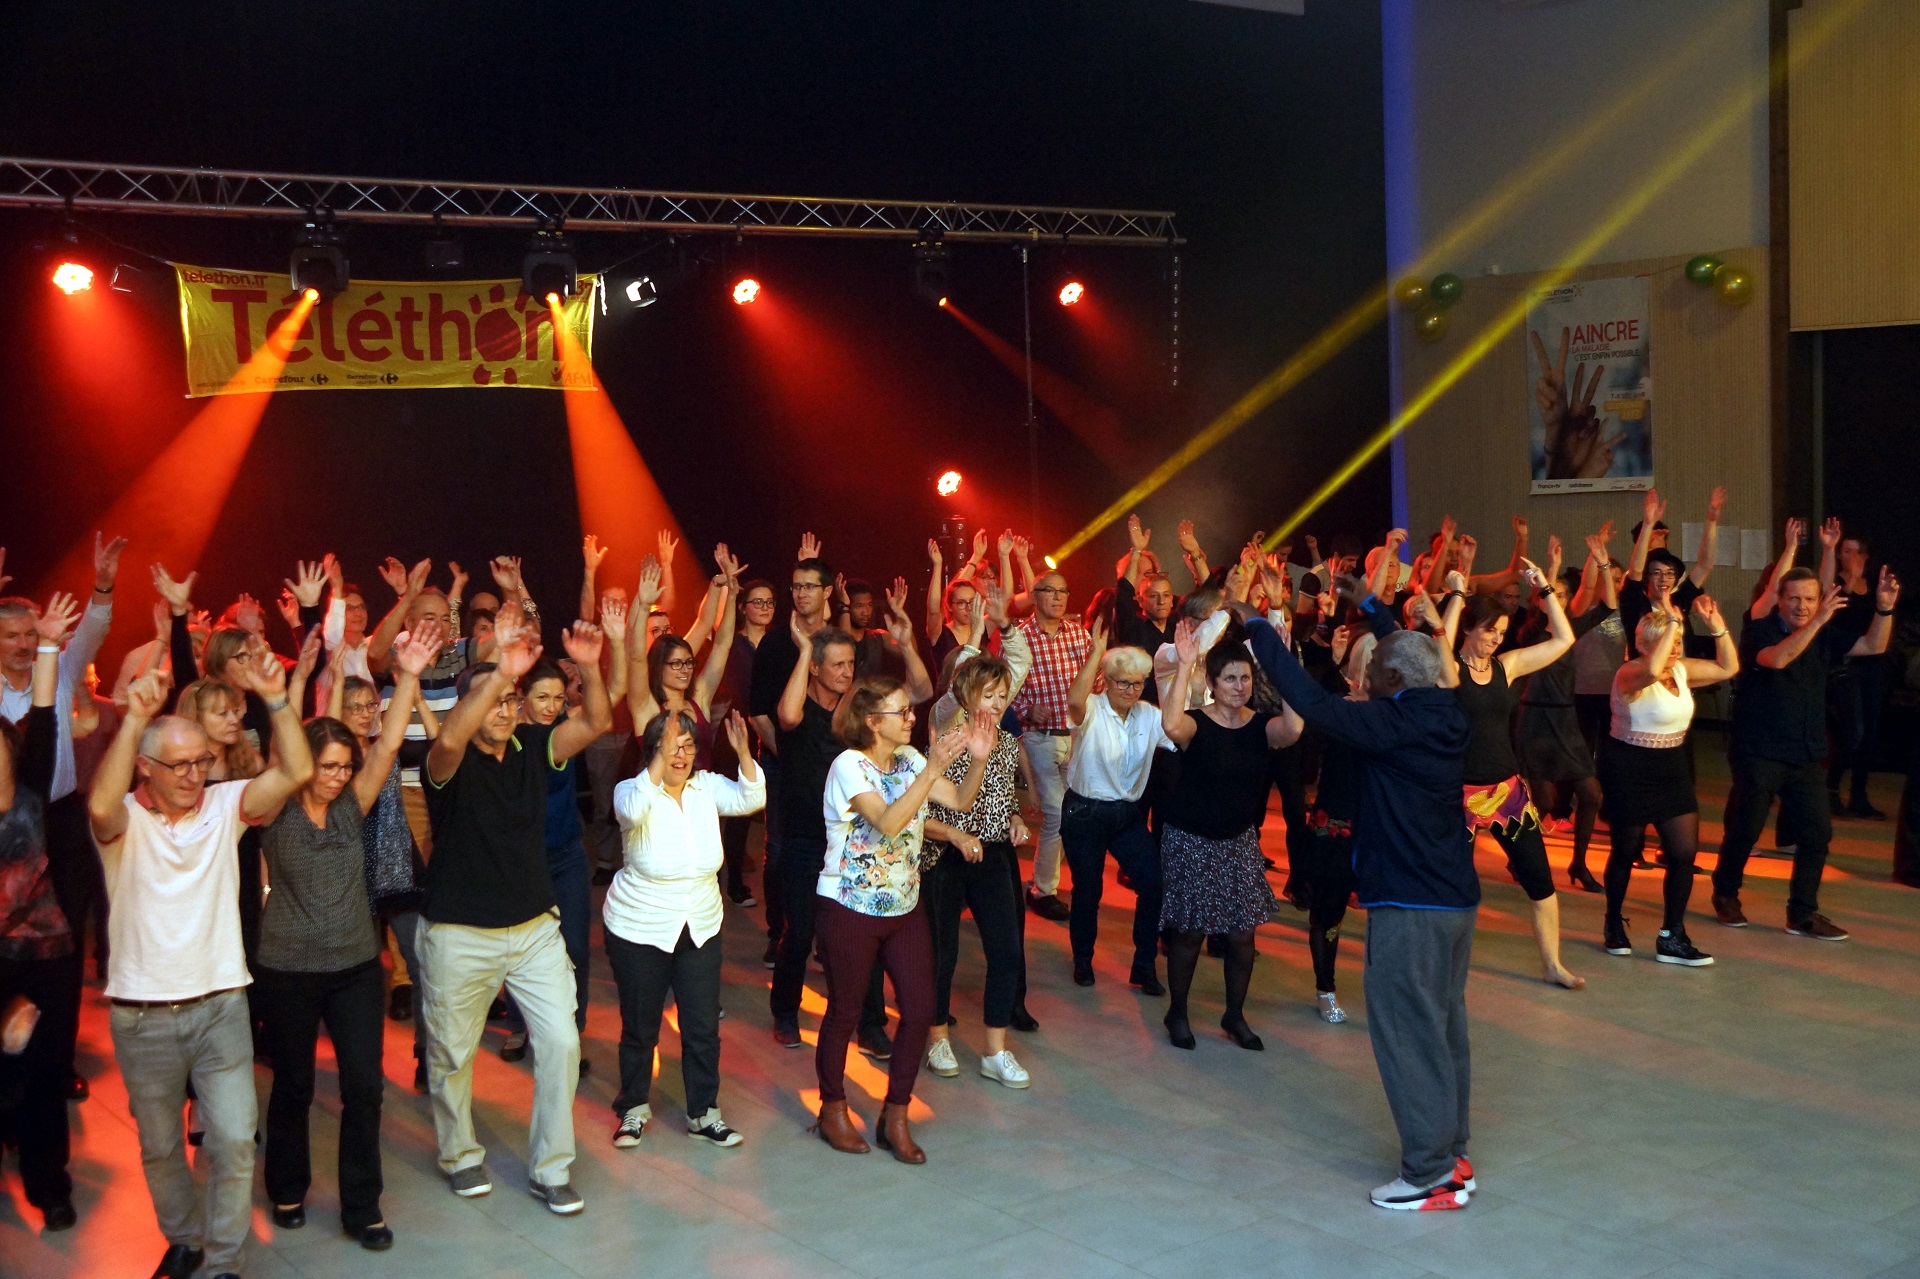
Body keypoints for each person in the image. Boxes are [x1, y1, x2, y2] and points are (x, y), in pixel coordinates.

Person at [88, 650, 315, 1279]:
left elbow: (295, 769)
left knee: (235, 1139)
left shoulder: (225, 806)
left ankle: (220, 1262)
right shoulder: (126, 820)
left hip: (221, 1007)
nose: (194, 775)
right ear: (146, 767)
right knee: (161, 1147)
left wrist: (275, 701)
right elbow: (100, 806)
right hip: (143, 1017)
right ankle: (183, 1240)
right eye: (179, 765)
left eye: (201, 762)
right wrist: (133, 719)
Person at [1242, 618, 1479, 1212]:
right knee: (1445, 1026)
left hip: (1411, 905)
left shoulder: (1389, 724)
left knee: (1408, 1030)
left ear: (1393, 678)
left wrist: (1259, 630)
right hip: (1454, 901)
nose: (1363, 677)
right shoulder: (1447, 710)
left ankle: (1430, 1172)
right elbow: (1418, 657)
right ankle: (1452, 1153)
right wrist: (1374, 608)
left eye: (1372, 669)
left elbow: (1314, 701)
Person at [417, 603, 611, 1215]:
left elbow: (598, 720)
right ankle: (460, 1155)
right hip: (458, 932)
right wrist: (500, 667)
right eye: (495, 699)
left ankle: (551, 1167)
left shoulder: (533, 745)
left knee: (560, 1042)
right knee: (451, 1054)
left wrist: (590, 667)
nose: (504, 710)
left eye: (510, 699)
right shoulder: (446, 761)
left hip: (533, 929)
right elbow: (450, 736)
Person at [254, 622, 440, 1251]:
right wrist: (291, 689)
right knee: (296, 1085)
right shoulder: (274, 807)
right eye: (325, 766)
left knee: (364, 1084)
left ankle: (363, 1205)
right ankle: (286, 1185)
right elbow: (290, 758)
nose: (335, 776)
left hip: (357, 966)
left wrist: (409, 675)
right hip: (288, 968)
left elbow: (385, 749)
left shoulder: (352, 804)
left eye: (342, 766)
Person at [811, 678, 991, 1162]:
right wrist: (932, 768)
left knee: (919, 1007)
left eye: (910, 711)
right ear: (872, 721)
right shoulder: (848, 766)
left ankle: (895, 1114)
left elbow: (960, 802)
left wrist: (976, 758)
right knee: (845, 1012)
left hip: (903, 907)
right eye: (901, 712)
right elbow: (889, 822)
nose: (911, 718)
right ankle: (831, 1109)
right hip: (850, 906)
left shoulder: (910, 759)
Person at [1711, 566, 1902, 939]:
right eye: (1794, 598)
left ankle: (1801, 913)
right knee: (1744, 829)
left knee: (1817, 833)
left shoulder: (1824, 633)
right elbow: (1778, 659)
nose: (1802, 606)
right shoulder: (1759, 630)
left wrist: (1883, 610)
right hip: (1759, 750)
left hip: (1805, 752)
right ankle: (1725, 892)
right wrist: (1817, 623)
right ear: (1779, 600)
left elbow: (1872, 645)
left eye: (1810, 600)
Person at [604, 709, 764, 1150]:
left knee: (700, 1026)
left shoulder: (706, 787)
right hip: (640, 928)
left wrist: (744, 753)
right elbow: (634, 811)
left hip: (700, 924)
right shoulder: (631, 791)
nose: (681, 753)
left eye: (688, 744)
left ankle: (704, 1112)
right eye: (671, 743)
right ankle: (633, 1107)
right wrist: (659, 757)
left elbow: (752, 798)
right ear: (652, 749)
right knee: (641, 1025)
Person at [1158, 623, 1303, 1050]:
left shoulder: (1260, 727)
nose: (1240, 687)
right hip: (1190, 838)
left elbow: (1293, 729)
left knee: (1242, 935)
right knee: (1189, 933)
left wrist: (1282, 667)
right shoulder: (1197, 725)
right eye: (1230, 679)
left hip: (1238, 841)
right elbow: (1170, 725)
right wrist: (1185, 665)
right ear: (1213, 683)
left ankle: (1234, 1015)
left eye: (1246, 678)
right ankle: (1178, 1012)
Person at [767, 616, 902, 1055]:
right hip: (804, 839)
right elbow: (786, 716)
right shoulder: (798, 708)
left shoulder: (856, 716)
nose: (846, 672)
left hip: (851, 838)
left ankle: (870, 1024)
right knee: (802, 929)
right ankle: (785, 1011)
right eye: (838, 665)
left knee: (861, 934)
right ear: (817, 669)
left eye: (850, 663)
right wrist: (805, 650)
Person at [1448, 559, 1583, 989]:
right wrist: (1454, 596)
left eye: (1502, 633)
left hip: (1506, 791)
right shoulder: (1448, 670)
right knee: (1456, 890)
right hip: (1458, 795)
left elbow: (1564, 638)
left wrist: (1545, 591)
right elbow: (1436, 647)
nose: (1495, 639)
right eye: (1489, 630)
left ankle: (1553, 965)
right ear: (1469, 628)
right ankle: (1448, 969)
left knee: (1541, 882)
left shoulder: (1507, 666)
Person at [922, 583, 1036, 1086]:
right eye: (987, 694)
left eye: (1001, 694)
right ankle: (938, 1037)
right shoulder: (945, 731)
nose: (996, 702)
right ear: (966, 694)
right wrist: (975, 631)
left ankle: (994, 1051)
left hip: (991, 854)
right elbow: (930, 799)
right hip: (944, 851)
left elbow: (1002, 796)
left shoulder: (1007, 742)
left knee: (1007, 951)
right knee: (941, 954)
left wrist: (1012, 817)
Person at [0, 593, 85, 1231]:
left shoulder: (29, 785)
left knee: (48, 1067)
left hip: (48, 952)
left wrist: (51, 645)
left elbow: (48, 714)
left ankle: (48, 1182)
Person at [1598, 602, 1739, 964]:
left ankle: (1671, 935)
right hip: (1629, 767)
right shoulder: (1629, 674)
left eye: (1678, 641)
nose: (1675, 648)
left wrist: (1717, 626)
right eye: (1666, 641)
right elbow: (1652, 669)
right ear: (1643, 644)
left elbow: (1729, 667)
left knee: (1683, 853)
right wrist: (1673, 620)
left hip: (1671, 767)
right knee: (1625, 850)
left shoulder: (1679, 670)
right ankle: (1613, 921)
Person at [325, 666, 436, 1089]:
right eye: (356, 706)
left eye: (371, 704)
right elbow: (328, 727)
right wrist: (335, 690)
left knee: (424, 965)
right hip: (352, 877)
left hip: (399, 870)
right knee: (361, 980)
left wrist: (421, 704)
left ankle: (426, 1054)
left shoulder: (384, 747)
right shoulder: (333, 758)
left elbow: (434, 746)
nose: (365, 713)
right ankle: (362, 1065)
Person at [1058, 620, 1169, 994]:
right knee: (1087, 891)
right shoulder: (1090, 708)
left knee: (1153, 885)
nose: (1131, 690)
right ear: (1106, 681)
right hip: (1085, 812)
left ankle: (1143, 966)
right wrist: (1095, 653)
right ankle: (1082, 960)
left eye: (1138, 683)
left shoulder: (1150, 715)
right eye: (1123, 682)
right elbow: (1074, 701)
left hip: (1127, 816)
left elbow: (1182, 730)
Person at [1516, 527, 1617, 891]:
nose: (1554, 599)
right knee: (1541, 801)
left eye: (1561, 595)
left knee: (1591, 793)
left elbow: (1609, 607)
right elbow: (1545, 614)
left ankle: (1578, 864)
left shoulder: (1571, 628)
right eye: (1549, 594)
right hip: (1536, 719)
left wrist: (1603, 564)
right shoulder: (1532, 631)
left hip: (1566, 718)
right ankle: (1521, 855)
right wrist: (1553, 569)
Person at [1012, 570, 1093, 922]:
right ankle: (1043, 890)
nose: (1058, 598)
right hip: (1040, 737)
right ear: (1035, 594)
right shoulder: (1019, 637)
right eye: (1050, 591)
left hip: (1076, 736)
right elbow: (1004, 689)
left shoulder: (1079, 634)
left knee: (1077, 814)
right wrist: (1026, 709)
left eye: (1064, 591)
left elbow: (1097, 679)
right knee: (1057, 814)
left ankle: (1059, 883)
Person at [715, 576, 774, 907]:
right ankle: (733, 879)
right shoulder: (732, 644)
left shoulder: (780, 642)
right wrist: (727, 587)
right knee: (736, 808)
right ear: (742, 607)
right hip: (738, 728)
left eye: (769, 603)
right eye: (757, 602)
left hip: (773, 727)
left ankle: (768, 877)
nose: (764, 608)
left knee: (770, 805)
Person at [1826, 525, 1888, 819]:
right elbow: (1832, 622)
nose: (1849, 556)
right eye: (1844, 550)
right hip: (1844, 665)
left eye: (1854, 551)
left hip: (1872, 666)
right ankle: (1831, 789)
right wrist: (1848, 581)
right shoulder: (1835, 584)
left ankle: (1859, 796)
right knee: (1853, 732)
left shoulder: (1876, 584)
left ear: (1865, 555)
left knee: (1871, 734)